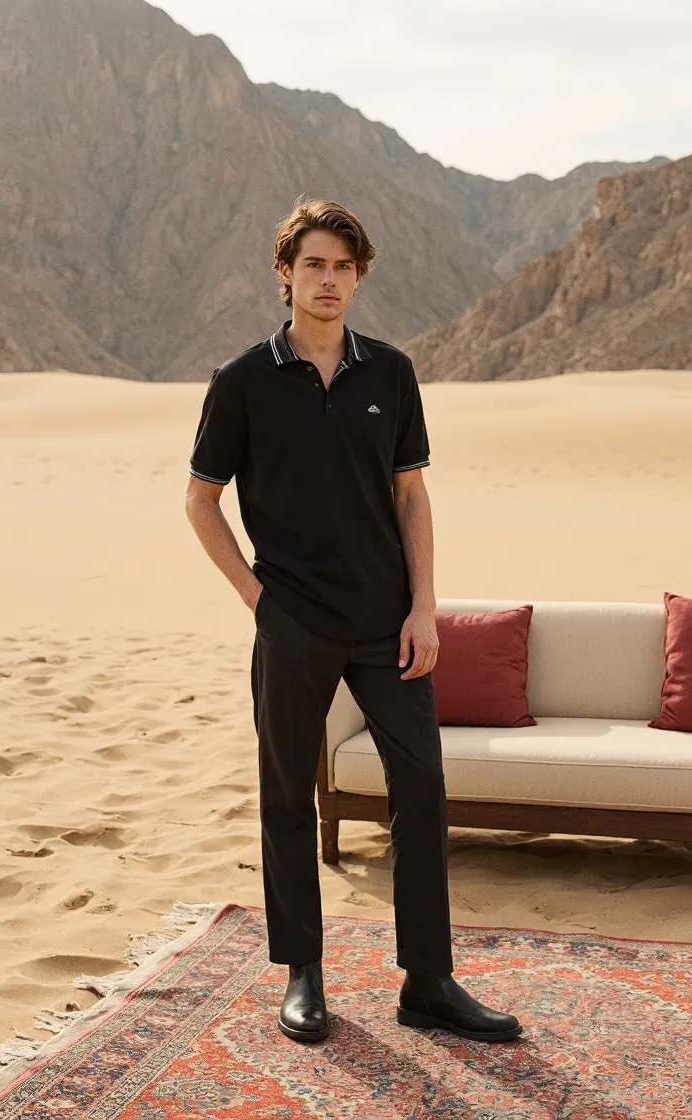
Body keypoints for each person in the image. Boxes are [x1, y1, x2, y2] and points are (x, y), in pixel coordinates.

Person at [185, 198, 523, 1045]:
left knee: (421, 785)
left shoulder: (392, 374)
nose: (328, 280)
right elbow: (200, 503)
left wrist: (424, 606)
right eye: (314, 266)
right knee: (287, 793)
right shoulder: (242, 383)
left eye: (343, 267)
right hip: (292, 623)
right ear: (285, 276)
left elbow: (412, 495)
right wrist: (259, 600)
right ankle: (303, 973)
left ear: (359, 277)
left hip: (387, 625)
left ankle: (429, 981)